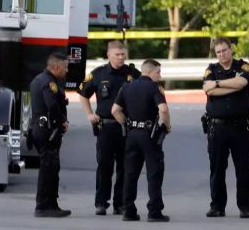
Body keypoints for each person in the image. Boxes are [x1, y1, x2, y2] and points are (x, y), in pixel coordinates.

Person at [79, 40, 140, 215]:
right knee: (104, 166)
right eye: (117, 55)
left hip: (126, 127)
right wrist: (90, 114)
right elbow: (83, 94)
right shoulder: (98, 74)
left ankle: (119, 203)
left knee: (124, 166)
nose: (121, 58)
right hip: (105, 126)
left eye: (123, 54)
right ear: (109, 55)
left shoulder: (132, 73)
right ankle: (101, 203)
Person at [201, 37, 249, 219]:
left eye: (224, 50)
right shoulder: (211, 69)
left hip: (242, 127)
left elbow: (243, 82)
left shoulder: (243, 66)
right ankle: (217, 206)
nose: (222, 54)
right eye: (218, 52)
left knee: (244, 169)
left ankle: (246, 206)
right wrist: (230, 85)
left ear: (231, 49)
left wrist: (217, 84)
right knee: (217, 169)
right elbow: (208, 90)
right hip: (217, 128)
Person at [111, 59, 171, 223]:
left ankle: (128, 211)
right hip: (149, 135)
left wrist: (126, 124)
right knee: (154, 173)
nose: (160, 75)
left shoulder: (127, 86)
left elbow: (115, 110)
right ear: (150, 72)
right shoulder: (154, 87)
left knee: (130, 174)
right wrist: (166, 125)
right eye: (158, 72)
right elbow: (163, 109)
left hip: (132, 135)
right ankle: (154, 211)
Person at [30, 53, 72, 218]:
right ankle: (43, 206)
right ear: (56, 67)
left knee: (50, 167)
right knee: (49, 168)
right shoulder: (49, 83)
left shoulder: (37, 79)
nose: (67, 70)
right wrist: (62, 121)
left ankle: (51, 204)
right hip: (48, 130)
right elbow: (52, 104)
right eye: (65, 67)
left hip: (41, 129)